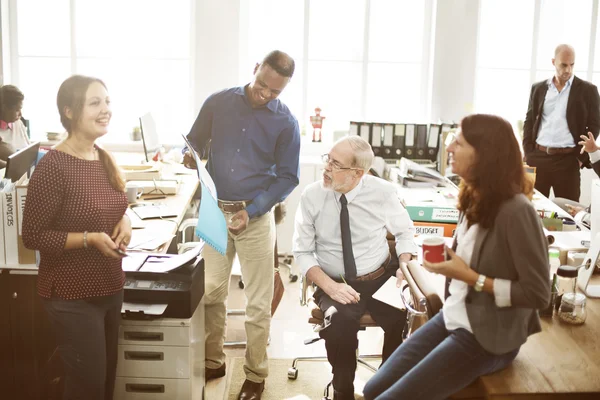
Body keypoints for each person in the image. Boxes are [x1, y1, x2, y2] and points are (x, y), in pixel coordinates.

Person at [363, 114, 550, 400]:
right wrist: (449, 262)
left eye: (458, 143)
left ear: (485, 154)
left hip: (487, 337)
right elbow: (477, 257)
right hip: (454, 316)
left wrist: (471, 278)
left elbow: (538, 294)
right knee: (371, 389)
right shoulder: (472, 197)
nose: (448, 148)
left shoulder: (517, 211)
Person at [184, 50, 300, 400]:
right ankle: (213, 360)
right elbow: (193, 143)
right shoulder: (218, 102)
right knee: (213, 291)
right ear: (255, 70)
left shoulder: (286, 123)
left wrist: (254, 209)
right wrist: (190, 156)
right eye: (262, 85)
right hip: (215, 213)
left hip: (255, 218)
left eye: (274, 92)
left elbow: (288, 177)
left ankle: (255, 375)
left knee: (257, 303)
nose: (264, 94)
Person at [22, 75, 131, 400]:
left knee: (105, 383)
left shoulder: (101, 156)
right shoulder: (53, 166)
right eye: (95, 103)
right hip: (71, 295)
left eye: (107, 102)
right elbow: (33, 235)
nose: (105, 110)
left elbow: (115, 205)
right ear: (69, 112)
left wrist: (124, 220)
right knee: (87, 389)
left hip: (110, 285)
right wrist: (89, 239)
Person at [293, 135, 416, 400]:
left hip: (380, 276)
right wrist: (330, 286)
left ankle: (388, 386)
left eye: (335, 164)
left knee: (404, 317)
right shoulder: (312, 196)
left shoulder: (382, 193)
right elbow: (302, 252)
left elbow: (405, 232)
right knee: (338, 322)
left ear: (357, 173)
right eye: (328, 159)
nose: (326, 167)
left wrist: (404, 265)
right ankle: (343, 389)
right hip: (333, 279)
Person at [522, 44, 600, 202]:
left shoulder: (588, 90)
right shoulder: (538, 88)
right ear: (553, 62)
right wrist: (528, 152)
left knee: (569, 214)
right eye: (563, 65)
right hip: (537, 158)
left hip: (568, 161)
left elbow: (595, 124)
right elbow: (529, 121)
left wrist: (580, 158)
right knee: (531, 209)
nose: (568, 70)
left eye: (572, 65)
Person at [553, 131, 600, 228]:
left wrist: (581, 215)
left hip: (592, 222)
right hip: (591, 213)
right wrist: (593, 151)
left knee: (555, 212)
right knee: (556, 203)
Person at [0, 84, 30, 154]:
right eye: (17, 110)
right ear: (4, 108)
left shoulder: (19, 123)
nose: (20, 114)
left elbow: (30, 148)